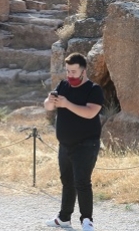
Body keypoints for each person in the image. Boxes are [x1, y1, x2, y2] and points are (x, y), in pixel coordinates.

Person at [44, 53, 104, 231]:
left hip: (86, 145)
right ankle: (64, 218)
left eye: (73, 71)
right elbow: (48, 106)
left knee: (82, 182)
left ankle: (87, 221)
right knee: (67, 182)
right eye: (68, 71)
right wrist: (50, 100)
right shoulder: (63, 85)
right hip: (65, 144)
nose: (70, 75)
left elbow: (90, 112)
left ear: (83, 71)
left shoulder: (94, 89)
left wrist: (66, 104)